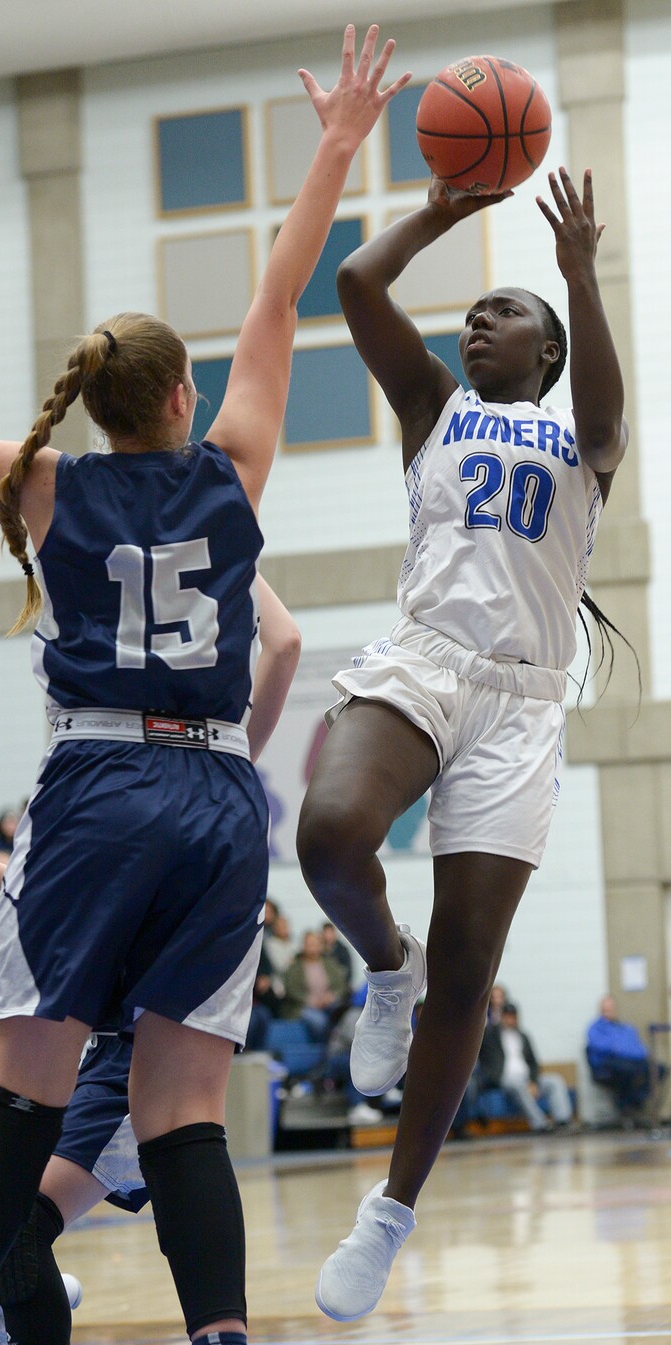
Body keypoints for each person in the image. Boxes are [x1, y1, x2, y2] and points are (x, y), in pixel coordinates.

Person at [0, 28, 411, 1341]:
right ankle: (221, 1332)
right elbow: (282, 300)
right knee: (183, 1115)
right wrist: (337, 144)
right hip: (221, 800)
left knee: (21, 1093)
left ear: (93, 408)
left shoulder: (43, 484)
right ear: (180, 392)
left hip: (102, 786)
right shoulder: (232, 470)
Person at [296, 165, 627, 1320]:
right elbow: (354, 278)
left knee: (473, 972)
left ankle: (388, 1215)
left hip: (523, 703)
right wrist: (445, 209)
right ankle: (386, 964)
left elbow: (604, 410)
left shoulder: (581, 443)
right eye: (474, 310)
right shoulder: (434, 406)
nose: (480, 318)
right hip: (425, 660)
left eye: (509, 314)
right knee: (331, 834)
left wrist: (578, 276)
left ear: (546, 352)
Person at [0, 575, 299, 1345]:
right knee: (20, 1221)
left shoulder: (97, 779)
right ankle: (4, 1307)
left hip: (122, 1059)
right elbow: (282, 643)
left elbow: (282, 644)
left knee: (15, 1217)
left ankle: (2, 1308)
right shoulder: (219, 768)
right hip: (115, 1044)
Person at [479, 1001, 572, 1131]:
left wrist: (533, 1082)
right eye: (507, 1016)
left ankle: (563, 1120)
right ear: (501, 1017)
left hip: (526, 1078)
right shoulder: (490, 1036)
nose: (510, 1019)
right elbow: (484, 1059)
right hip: (505, 1079)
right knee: (517, 1084)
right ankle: (540, 1124)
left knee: (554, 1080)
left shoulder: (523, 1036)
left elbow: (533, 1063)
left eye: (513, 1016)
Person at [586, 994, 657, 1120]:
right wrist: (624, 1050)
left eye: (610, 1009)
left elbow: (640, 1050)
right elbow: (608, 1048)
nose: (608, 1012)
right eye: (605, 1009)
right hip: (607, 1065)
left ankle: (635, 1100)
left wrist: (627, 1051)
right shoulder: (594, 1028)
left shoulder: (626, 1028)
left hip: (632, 1062)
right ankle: (625, 1105)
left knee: (657, 1069)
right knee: (626, 1070)